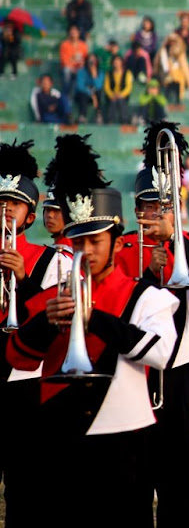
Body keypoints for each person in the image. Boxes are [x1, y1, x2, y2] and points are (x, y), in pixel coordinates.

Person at [6, 134, 178, 526]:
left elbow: (161, 353)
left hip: (124, 433)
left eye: (96, 241)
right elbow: (17, 356)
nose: (87, 251)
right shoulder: (52, 297)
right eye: (79, 242)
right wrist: (44, 324)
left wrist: (95, 319)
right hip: (58, 432)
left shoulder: (146, 297)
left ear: (117, 244)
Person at [116, 122, 189, 527]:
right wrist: (146, 271)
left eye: (164, 206)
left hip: (179, 372)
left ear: (176, 207)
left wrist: (175, 239)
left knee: (179, 477)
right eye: (148, 206)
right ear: (136, 209)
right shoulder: (122, 246)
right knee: (134, 477)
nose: (155, 214)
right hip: (132, 370)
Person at [0, 140, 72, 526]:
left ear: (30, 215)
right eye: (1, 201)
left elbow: (50, 318)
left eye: (15, 203)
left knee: (23, 483)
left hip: (25, 378)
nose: (6, 209)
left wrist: (24, 278)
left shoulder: (49, 259)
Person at [155, 33, 189, 104]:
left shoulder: (180, 52)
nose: (172, 43)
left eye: (174, 41)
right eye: (171, 41)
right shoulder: (164, 50)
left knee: (178, 81)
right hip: (166, 73)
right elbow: (162, 64)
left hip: (178, 74)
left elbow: (185, 68)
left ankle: (178, 100)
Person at [59, 24, 89, 97]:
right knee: (66, 71)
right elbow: (64, 61)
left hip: (79, 68)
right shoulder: (64, 45)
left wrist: (80, 65)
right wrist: (73, 67)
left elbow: (86, 59)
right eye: (72, 31)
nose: (73, 33)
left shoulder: (83, 45)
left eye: (75, 32)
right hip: (69, 68)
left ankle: (79, 92)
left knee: (82, 71)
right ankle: (66, 93)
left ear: (78, 33)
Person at [74, 52, 104, 123]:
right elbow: (80, 87)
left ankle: (98, 115)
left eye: (94, 61)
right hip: (83, 94)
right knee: (83, 95)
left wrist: (94, 76)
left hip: (95, 95)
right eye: (90, 61)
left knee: (99, 93)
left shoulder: (100, 72)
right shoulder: (81, 72)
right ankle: (82, 116)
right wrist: (90, 93)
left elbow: (98, 86)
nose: (92, 63)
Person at [103, 54, 133, 124]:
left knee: (120, 100)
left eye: (118, 62)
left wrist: (121, 95)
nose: (116, 64)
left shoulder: (127, 73)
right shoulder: (109, 74)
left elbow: (128, 87)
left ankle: (124, 120)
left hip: (123, 96)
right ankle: (110, 121)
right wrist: (111, 95)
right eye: (115, 62)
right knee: (113, 101)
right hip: (112, 95)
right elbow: (106, 87)